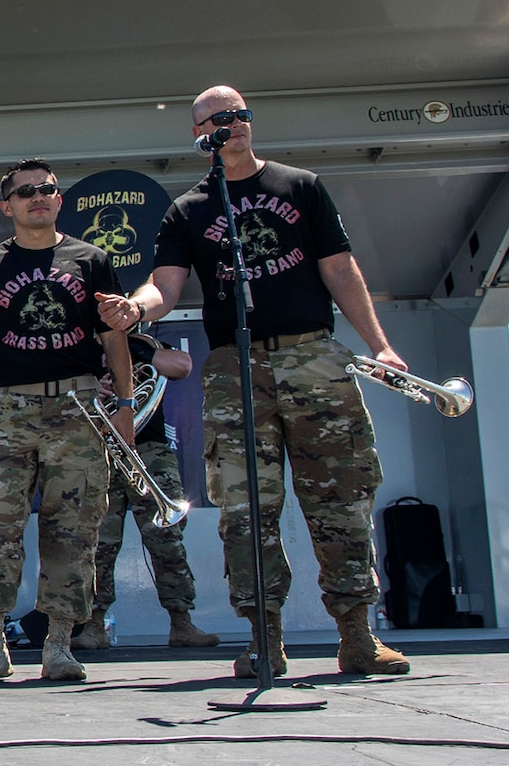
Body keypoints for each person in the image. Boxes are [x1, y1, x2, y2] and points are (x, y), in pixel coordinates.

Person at [99, 86, 410, 678]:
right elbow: (164, 286)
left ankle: (358, 636)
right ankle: (265, 640)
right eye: (220, 119)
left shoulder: (300, 186)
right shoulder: (188, 209)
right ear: (200, 134)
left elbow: (340, 268)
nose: (234, 124)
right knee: (246, 509)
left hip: (313, 356)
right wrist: (134, 310)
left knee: (340, 500)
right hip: (235, 364)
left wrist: (381, 347)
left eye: (240, 115)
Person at [0, 158, 134, 684]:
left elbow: (115, 341)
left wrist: (126, 410)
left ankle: (59, 645)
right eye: (24, 193)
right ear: (7, 206)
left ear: (59, 198)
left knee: (73, 530)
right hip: (9, 410)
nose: (36, 197)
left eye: (45, 189)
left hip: (80, 406)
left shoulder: (92, 260)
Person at [70, 331, 221, 650]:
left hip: (148, 448)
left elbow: (182, 366)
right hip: (98, 449)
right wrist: (91, 387)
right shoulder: (78, 346)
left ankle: (182, 622)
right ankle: (94, 624)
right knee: (98, 543)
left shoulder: (143, 343)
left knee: (167, 540)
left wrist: (131, 353)